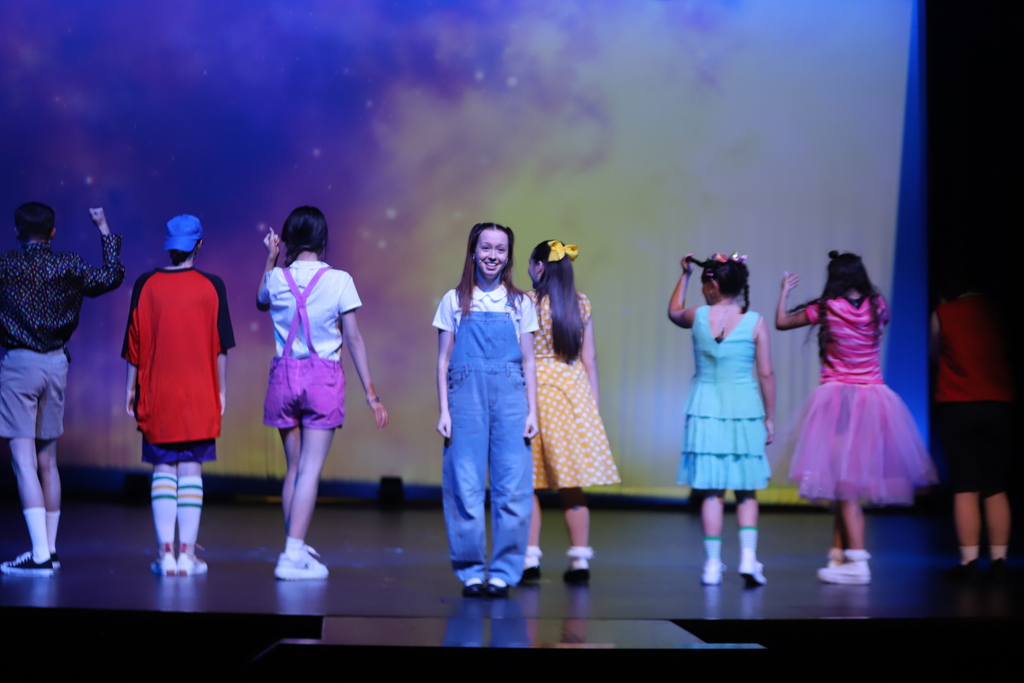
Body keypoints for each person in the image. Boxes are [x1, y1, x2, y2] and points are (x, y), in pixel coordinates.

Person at [775, 251, 937, 585]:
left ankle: (858, 562)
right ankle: (837, 556)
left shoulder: (826, 308)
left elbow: (782, 322)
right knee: (844, 482)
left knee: (845, 485)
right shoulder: (879, 306)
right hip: (873, 401)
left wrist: (784, 294)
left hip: (838, 400)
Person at [259, 206, 388, 580]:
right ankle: (292, 555)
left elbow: (260, 300)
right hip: (322, 380)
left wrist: (270, 258)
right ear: (323, 239)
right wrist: (372, 394)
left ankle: (294, 547)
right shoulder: (340, 280)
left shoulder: (276, 279)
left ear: (289, 239)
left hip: (284, 378)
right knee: (310, 471)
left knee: (295, 469)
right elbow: (354, 339)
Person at [0, 203, 124, 577]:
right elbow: (111, 276)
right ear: (52, 233)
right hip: (56, 365)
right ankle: (48, 550)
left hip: (20, 366)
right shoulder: (67, 264)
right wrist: (104, 228)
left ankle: (40, 554)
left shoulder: (6, 266)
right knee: (47, 461)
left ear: (18, 232)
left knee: (23, 461)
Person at [124, 214, 234, 576]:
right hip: (199, 393)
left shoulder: (146, 284)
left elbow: (133, 345)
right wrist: (221, 391)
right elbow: (221, 349)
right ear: (198, 245)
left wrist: (129, 389)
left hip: (157, 393)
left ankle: (164, 555)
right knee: (190, 472)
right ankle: (186, 556)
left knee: (162, 469)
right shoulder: (212, 286)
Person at [434, 222, 539, 598]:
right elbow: (443, 360)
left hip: (512, 397)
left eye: (500, 249)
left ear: (508, 255)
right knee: (464, 483)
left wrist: (533, 412)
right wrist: (444, 410)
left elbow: (528, 361)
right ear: (473, 252)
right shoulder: (454, 300)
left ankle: (504, 571)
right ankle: (472, 570)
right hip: (465, 397)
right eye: (486, 248)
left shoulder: (521, 302)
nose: (492, 255)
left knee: (513, 486)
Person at [668, 252, 776, 587]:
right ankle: (747, 558)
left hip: (707, 409)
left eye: (704, 281)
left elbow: (673, 312)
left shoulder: (699, 315)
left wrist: (684, 275)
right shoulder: (755, 321)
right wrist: (770, 419)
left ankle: (712, 565)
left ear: (713, 284)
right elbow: (767, 374)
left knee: (713, 492)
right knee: (746, 491)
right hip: (743, 409)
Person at [522, 240, 620, 584]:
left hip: (536, 391)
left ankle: (529, 558)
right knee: (572, 483)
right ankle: (580, 560)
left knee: (528, 482)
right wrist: (591, 409)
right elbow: (589, 359)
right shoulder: (582, 303)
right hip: (573, 392)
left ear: (539, 267)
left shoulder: (527, 302)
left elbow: (522, 355)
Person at [931, 274, 1014, 583]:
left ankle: (968, 562)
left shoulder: (945, 312)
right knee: (996, 485)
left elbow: (935, 353)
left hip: (958, 405)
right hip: (999, 404)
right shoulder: (998, 311)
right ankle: (1000, 559)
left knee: (966, 486)